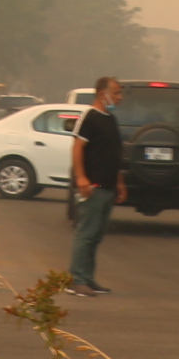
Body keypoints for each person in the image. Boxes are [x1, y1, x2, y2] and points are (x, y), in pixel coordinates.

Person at [69, 76, 128, 296]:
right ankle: (77, 280)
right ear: (102, 94)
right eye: (116, 93)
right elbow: (77, 148)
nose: (119, 98)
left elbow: (113, 154)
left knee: (96, 235)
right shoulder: (90, 118)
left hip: (108, 186)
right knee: (86, 234)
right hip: (92, 186)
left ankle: (89, 278)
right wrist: (81, 178)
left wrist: (119, 182)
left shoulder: (110, 119)